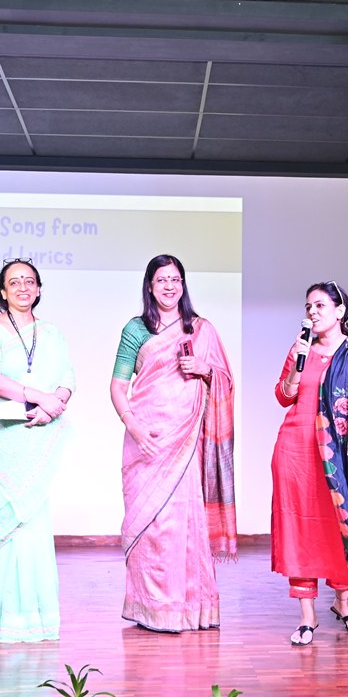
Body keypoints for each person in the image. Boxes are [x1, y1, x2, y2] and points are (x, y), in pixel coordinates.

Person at [109, 254, 236, 632]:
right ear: (150, 286)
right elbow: (117, 386)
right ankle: (149, 608)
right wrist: (133, 426)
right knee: (149, 526)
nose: (169, 286)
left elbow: (225, 380)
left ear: (183, 285)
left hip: (185, 442)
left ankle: (188, 608)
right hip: (145, 439)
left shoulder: (200, 330)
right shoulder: (136, 330)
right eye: (162, 280)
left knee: (183, 525)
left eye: (176, 279)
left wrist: (206, 370)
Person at [271, 281, 348, 646]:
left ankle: (343, 603)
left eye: (320, 305)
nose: (312, 312)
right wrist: (298, 360)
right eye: (308, 306)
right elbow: (283, 396)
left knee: (343, 526)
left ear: (340, 311)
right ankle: (307, 616)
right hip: (296, 453)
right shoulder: (300, 349)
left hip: (342, 455)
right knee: (301, 530)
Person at [0, 258, 75, 642]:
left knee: (32, 525)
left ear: (39, 288)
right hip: (1, 440)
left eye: (29, 281)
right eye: (14, 282)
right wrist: (37, 396)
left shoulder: (52, 333)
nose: (22, 288)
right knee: (3, 523)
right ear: (2, 291)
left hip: (36, 437)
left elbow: (67, 378)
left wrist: (51, 407)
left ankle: (33, 620)